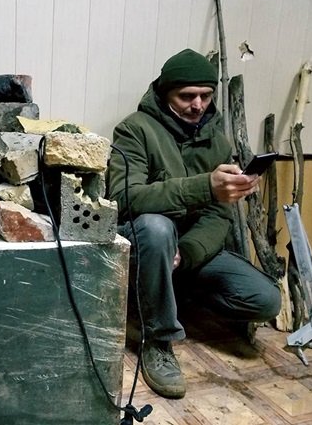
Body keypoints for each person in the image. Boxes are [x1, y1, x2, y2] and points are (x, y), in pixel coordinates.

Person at [107, 48, 281, 399]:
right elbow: (125, 199)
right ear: (165, 93)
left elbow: (218, 216)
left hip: (187, 250)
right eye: (186, 96)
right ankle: (157, 339)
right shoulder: (135, 129)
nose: (198, 105)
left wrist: (186, 254)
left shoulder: (217, 141)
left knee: (265, 300)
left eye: (206, 95)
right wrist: (205, 187)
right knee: (156, 228)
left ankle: (171, 294)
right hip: (146, 244)